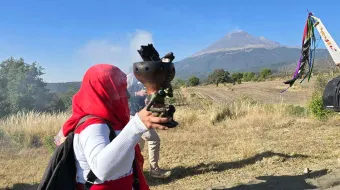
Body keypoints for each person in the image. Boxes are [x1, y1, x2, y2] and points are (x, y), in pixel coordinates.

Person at [58, 64, 171, 190]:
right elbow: (101, 170)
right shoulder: (93, 126)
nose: (127, 95)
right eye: (121, 88)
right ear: (106, 91)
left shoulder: (112, 121)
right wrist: (136, 125)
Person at [127, 72, 172, 179]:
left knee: (138, 146)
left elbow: (147, 93)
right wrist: (137, 94)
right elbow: (125, 93)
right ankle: (154, 170)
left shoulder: (144, 78)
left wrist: (147, 98)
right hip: (136, 116)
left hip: (141, 114)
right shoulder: (130, 77)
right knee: (154, 140)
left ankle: (135, 171)